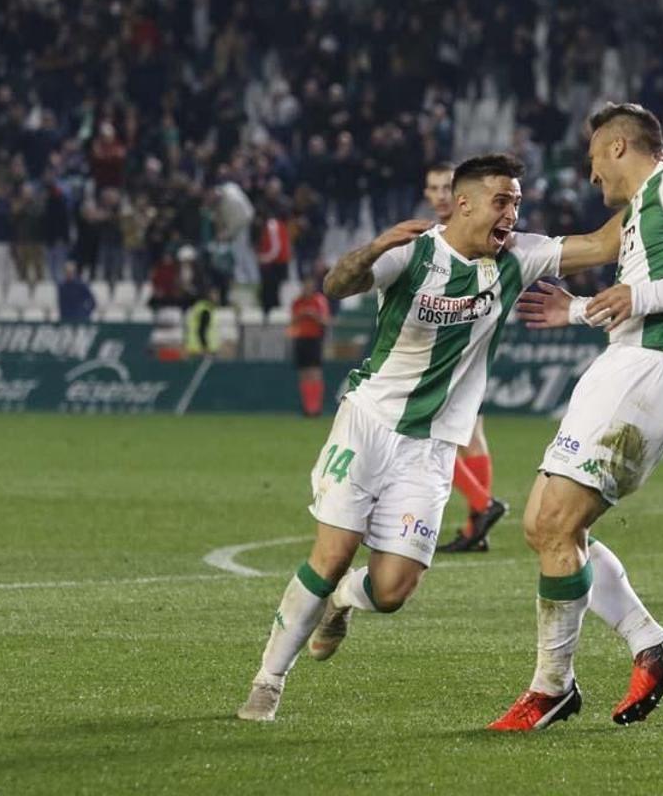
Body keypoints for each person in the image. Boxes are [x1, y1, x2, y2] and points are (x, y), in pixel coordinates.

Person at [236, 153, 625, 722]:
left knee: (391, 591)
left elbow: (600, 243)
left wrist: (652, 184)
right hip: (368, 423)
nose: (513, 213)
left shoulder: (519, 256)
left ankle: (344, 599)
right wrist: (372, 249)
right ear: (462, 203)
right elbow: (336, 283)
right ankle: (268, 681)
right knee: (332, 552)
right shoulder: (412, 252)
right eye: (502, 200)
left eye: (517, 201)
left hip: (434, 447)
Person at [489, 103, 663, 731]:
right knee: (542, 526)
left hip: (649, 371)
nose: (590, 178)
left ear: (617, 148)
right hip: (621, 364)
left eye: (592, 161)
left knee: (555, 524)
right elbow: (628, 284)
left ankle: (551, 687)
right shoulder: (639, 213)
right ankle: (649, 645)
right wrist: (576, 312)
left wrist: (640, 295)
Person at [418, 161, 508, 553]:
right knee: (472, 436)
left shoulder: (471, 236)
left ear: (462, 197)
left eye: (445, 188)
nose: (439, 195)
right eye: (432, 188)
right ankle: (478, 529)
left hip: (454, 348)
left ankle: (482, 506)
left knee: (429, 434)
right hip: (473, 346)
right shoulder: (433, 235)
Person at [288, 276, 330, 417]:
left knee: (315, 373)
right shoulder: (297, 302)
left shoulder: (319, 300)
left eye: (310, 285)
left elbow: (325, 320)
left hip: (314, 339)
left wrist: (313, 315)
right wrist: (301, 316)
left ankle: (316, 408)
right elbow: (292, 321)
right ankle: (307, 408)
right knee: (303, 374)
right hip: (300, 339)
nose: (307, 288)